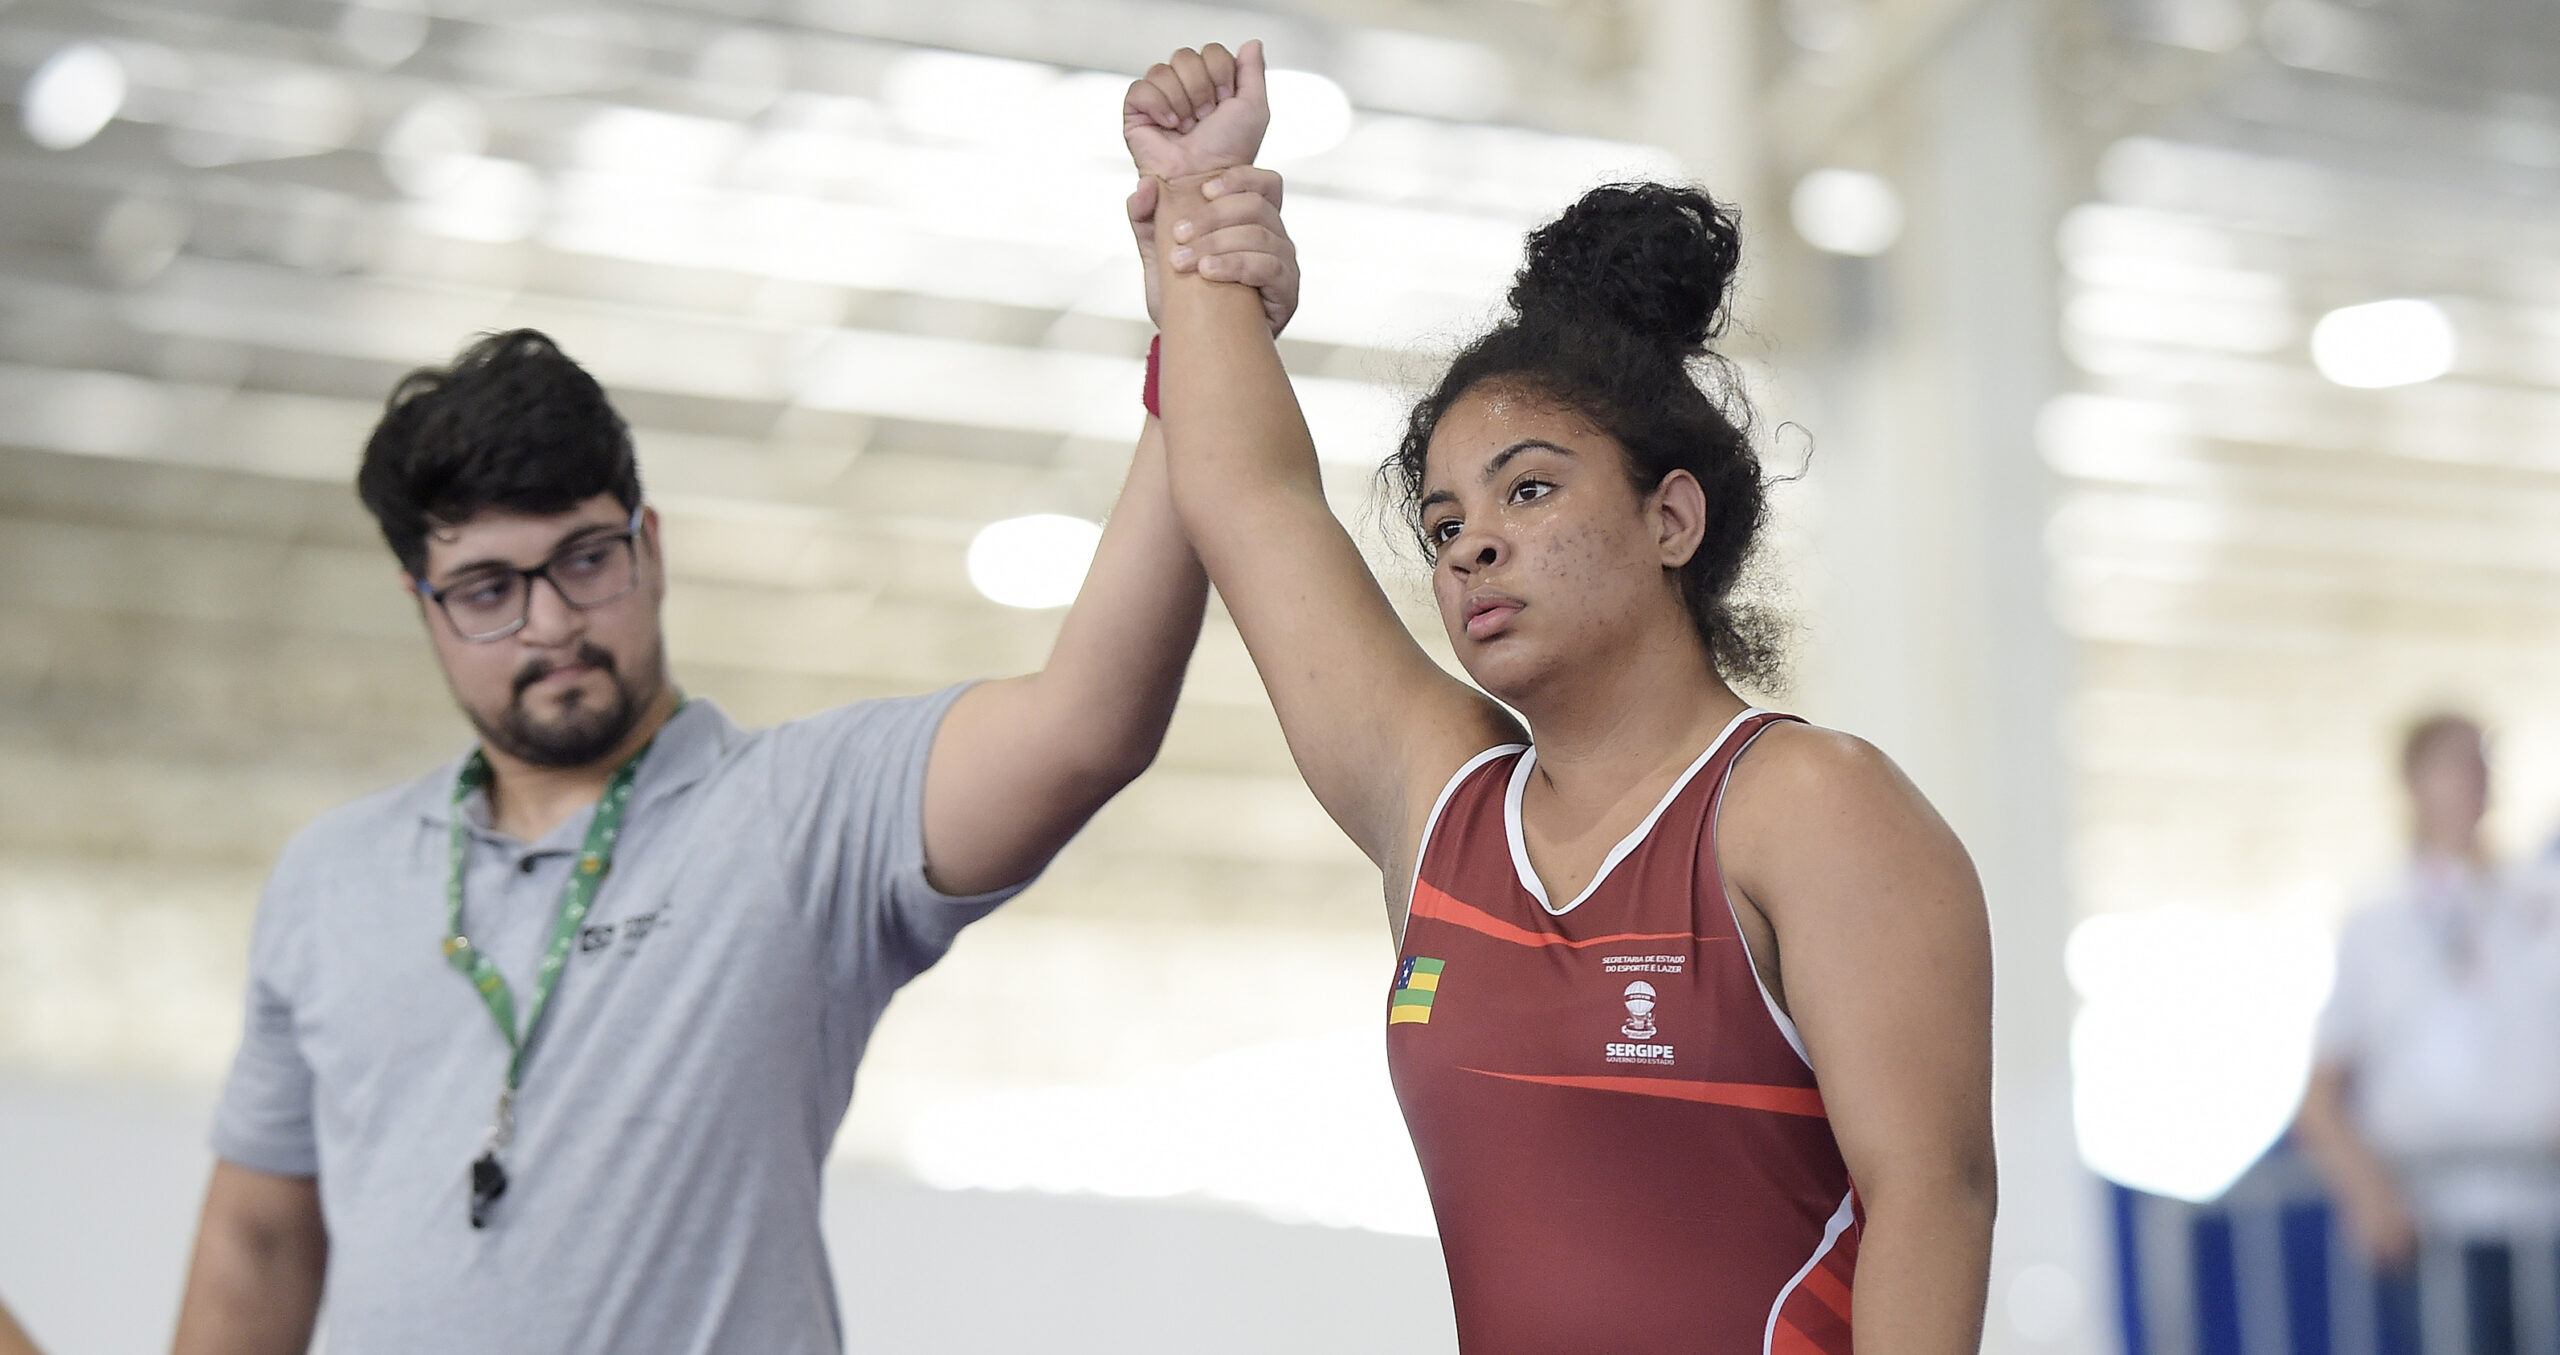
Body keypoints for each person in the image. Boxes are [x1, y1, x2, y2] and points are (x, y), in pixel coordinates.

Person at [168, 53, 1300, 1353]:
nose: (548, 622)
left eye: (582, 558)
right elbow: (257, 1238)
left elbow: (1089, 719)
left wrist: (1201, 324)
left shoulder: (799, 812)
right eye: (486, 586)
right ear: (423, 604)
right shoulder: (330, 877)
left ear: (646, 544)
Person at [1130, 41, 1996, 1355]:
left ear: (1671, 515)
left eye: (1528, 489)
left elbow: (1935, 1196)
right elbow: (1252, 504)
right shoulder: (1443, 803)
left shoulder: (1808, 807)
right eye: (1444, 519)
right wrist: (1203, 211)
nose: (1469, 543)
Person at [2296, 712, 2560, 1355]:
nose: (2472, 782)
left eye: (2480, 763)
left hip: (2544, 1217)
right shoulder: (2375, 923)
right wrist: (2369, 1193)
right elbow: (2321, 1098)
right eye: (2452, 765)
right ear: (2413, 783)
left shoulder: (2541, 904)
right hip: (2436, 1230)